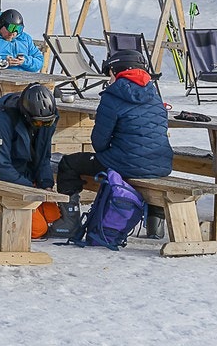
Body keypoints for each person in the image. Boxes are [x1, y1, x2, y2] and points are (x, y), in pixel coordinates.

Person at [53, 49, 173, 234]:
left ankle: (70, 221)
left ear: (117, 72)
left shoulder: (112, 96)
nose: (108, 79)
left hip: (126, 163)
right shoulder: (154, 94)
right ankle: (155, 227)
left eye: (109, 74)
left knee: (69, 164)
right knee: (145, 170)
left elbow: (99, 142)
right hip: (160, 164)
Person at [0, 82, 65, 237]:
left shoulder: (47, 118)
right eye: (38, 122)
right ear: (26, 114)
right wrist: (30, 188)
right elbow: (0, 167)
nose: (42, 126)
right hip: (3, 181)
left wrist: (46, 184)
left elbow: (44, 157)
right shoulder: (1, 120)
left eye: (46, 123)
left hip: (28, 180)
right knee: (37, 230)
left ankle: (4, 210)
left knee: (54, 219)